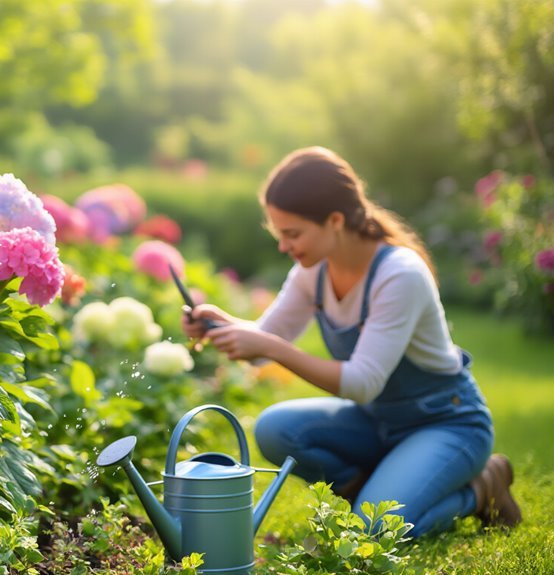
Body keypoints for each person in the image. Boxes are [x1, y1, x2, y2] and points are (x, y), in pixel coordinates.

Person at [181, 147, 521, 537]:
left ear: (335, 220)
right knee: (275, 429)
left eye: (292, 234)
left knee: (374, 531)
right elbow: (265, 342)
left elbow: (361, 383)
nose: (283, 246)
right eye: (278, 234)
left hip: (447, 423)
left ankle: (480, 489)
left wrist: (271, 348)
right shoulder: (314, 271)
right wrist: (219, 324)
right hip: (377, 422)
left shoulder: (399, 274)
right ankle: (377, 488)